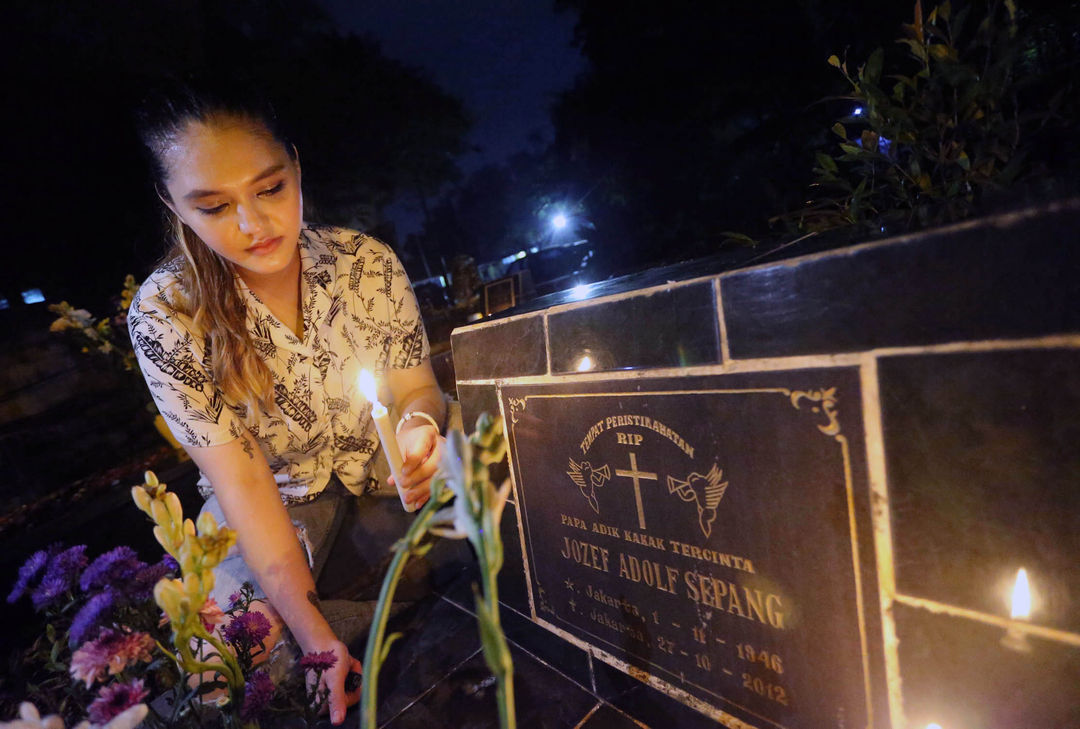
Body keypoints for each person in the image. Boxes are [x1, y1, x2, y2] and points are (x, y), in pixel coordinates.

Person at [129, 80, 447, 725]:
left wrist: (417, 429)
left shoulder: (367, 264)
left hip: (380, 472)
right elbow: (242, 480)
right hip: (272, 502)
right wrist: (313, 637)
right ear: (174, 205)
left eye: (270, 189)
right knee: (231, 661)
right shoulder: (167, 318)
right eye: (215, 206)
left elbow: (418, 388)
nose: (254, 225)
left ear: (296, 167)